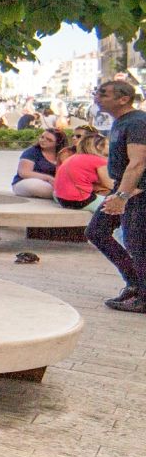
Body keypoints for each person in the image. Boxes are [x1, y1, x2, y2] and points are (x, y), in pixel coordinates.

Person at [86, 80, 146, 313]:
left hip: (137, 191)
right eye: (97, 92)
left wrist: (123, 195)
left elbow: (139, 162)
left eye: (104, 94)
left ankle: (143, 296)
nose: (97, 97)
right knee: (97, 231)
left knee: (137, 243)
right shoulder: (121, 122)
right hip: (123, 188)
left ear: (123, 99)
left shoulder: (138, 122)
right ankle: (135, 284)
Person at [53, 129, 112, 210]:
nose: (111, 147)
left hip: (60, 198)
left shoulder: (75, 156)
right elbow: (110, 184)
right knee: (118, 206)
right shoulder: (99, 160)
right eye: (108, 144)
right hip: (79, 200)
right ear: (99, 146)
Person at [12, 128, 70, 199]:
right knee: (34, 185)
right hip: (25, 182)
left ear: (58, 143)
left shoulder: (64, 155)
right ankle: (63, 196)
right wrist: (47, 178)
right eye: (42, 137)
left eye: (49, 140)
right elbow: (24, 173)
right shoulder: (32, 151)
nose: (43, 140)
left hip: (53, 184)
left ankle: (64, 195)